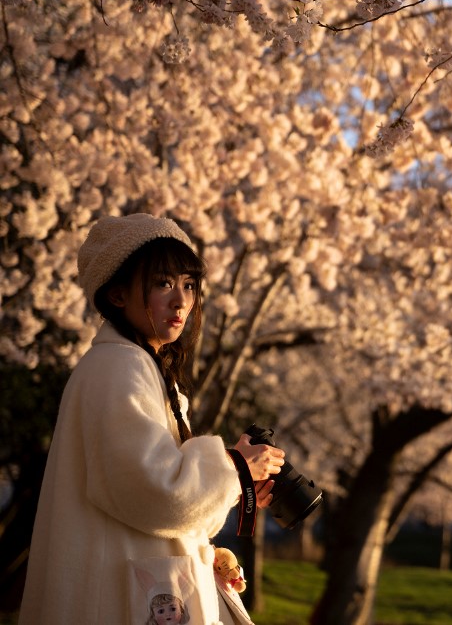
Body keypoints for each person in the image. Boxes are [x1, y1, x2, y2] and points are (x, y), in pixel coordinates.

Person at [18, 214, 286, 625]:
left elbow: (150, 494)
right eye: (162, 283)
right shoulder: (119, 368)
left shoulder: (138, 366)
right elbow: (153, 490)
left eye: (188, 285)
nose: (181, 301)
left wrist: (234, 487)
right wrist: (234, 467)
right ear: (118, 294)